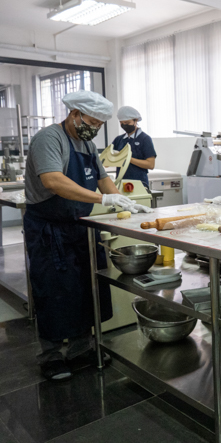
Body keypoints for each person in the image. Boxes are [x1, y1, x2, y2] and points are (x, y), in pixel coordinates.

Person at [24, 91, 152, 382]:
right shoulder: (50, 139)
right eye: (91, 121)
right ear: (74, 113)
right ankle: (52, 356)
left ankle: (81, 349)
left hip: (79, 226)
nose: (93, 128)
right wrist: (103, 201)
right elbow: (53, 180)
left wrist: (123, 201)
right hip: (49, 230)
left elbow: (102, 177)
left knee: (84, 289)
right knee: (54, 291)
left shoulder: (87, 144)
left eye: (98, 124)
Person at [111, 105, 156, 189]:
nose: (124, 125)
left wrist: (128, 159)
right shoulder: (119, 139)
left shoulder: (145, 139)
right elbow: (109, 158)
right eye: (122, 123)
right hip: (121, 183)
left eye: (127, 123)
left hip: (139, 183)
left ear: (136, 120)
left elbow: (150, 164)